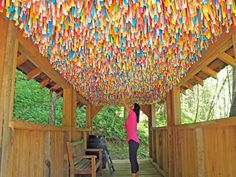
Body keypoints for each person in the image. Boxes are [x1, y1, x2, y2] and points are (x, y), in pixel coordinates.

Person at [121, 93, 140, 177]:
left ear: (134, 108)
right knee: (133, 158)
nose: (131, 106)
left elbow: (125, 104)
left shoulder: (132, 114)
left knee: (131, 158)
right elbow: (129, 126)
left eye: (132, 105)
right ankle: (137, 173)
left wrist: (123, 95)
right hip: (132, 140)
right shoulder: (131, 116)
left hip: (133, 140)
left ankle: (133, 174)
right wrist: (124, 126)